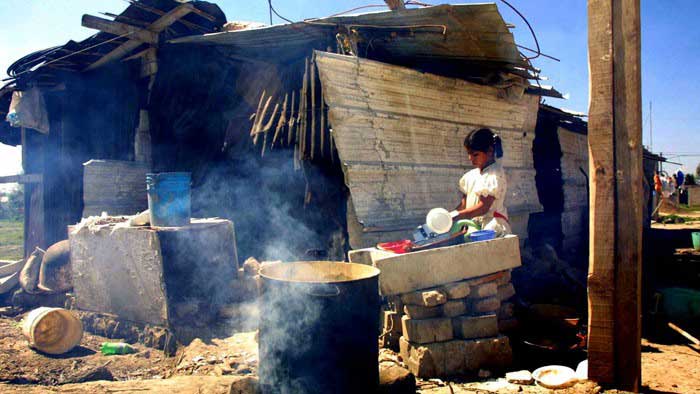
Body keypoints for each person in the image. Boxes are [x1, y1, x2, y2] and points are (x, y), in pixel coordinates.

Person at [451, 128, 511, 236]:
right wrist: (449, 216)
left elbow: (483, 208)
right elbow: (464, 205)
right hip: (473, 227)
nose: (470, 158)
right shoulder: (470, 176)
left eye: (475, 154)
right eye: (468, 154)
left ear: (490, 151)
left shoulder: (494, 175)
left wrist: (456, 215)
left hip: (491, 228)